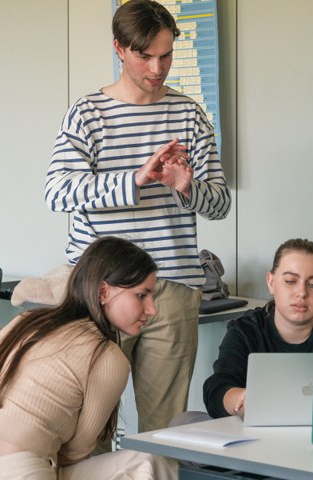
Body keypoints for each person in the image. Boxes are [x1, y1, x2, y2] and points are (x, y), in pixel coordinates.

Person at [44, 0, 231, 434]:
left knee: (166, 429)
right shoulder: (87, 113)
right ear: (119, 49)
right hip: (103, 287)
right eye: (144, 55)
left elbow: (219, 205)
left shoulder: (189, 115)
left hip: (175, 285)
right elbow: (56, 192)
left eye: (165, 55)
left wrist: (188, 188)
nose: (157, 66)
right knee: (84, 426)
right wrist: (134, 180)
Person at [0, 237, 177, 480]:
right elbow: (77, 452)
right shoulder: (106, 355)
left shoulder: (25, 322)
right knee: (149, 463)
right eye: (142, 295)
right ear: (103, 291)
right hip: (20, 472)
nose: (152, 309)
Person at [203, 238, 313, 419]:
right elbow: (217, 390)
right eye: (290, 281)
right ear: (271, 282)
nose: (302, 292)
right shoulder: (246, 330)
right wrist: (241, 398)